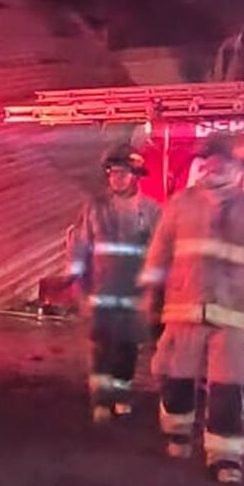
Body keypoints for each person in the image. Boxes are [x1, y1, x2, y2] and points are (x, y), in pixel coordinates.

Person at [139, 131, 244, 485]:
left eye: (224, 160)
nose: (215, 166)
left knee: (226, 387)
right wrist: (151, 294)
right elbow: (159, 252)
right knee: (174, 379)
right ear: (202, 164)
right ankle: (177, 432)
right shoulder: (181, 204)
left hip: (232, 314)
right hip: (183, 309)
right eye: (210, 159)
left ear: (239, 168)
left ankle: (224, 457)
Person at [68, 144, 161, 423]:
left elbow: (160, 252)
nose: (117, 178)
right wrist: (78, 286)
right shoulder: (94, 208)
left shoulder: (151, 211)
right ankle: (100, 401)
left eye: (123, 172)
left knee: (128, 346)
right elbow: (80, 247)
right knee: (101, 345)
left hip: (135, 291)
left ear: (135, 176)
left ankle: (121, 396)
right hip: (101, 290)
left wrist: (153, 292)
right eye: (113, 172)